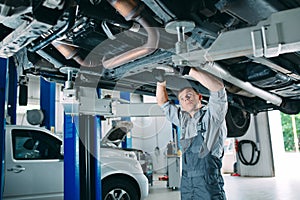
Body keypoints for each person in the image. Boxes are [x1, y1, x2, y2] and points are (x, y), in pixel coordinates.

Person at [155, 66, 228, 200]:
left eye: (189, 95)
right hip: (187, 184)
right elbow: (163, 103)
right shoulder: (183, 120)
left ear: (199, 97)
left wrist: (190, 71)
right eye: (182, 99)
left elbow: (218, 89)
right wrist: (161, 82)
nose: (186, 99)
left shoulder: (213, 117)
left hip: (208, 183)